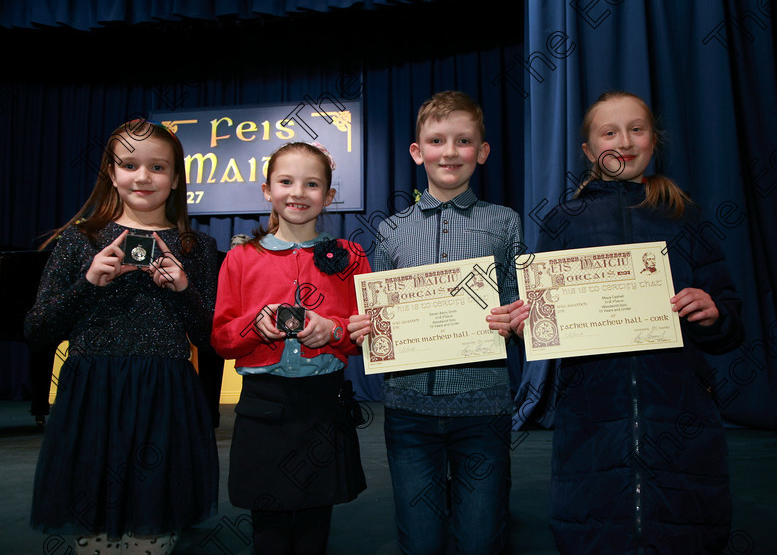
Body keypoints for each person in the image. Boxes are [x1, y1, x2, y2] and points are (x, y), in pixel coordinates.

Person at [511, 91, 745, 554]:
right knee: (593, 527)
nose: (624, 141)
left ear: (653, 140)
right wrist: (528, 325)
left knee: (689, 527)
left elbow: (730, 321)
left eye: (637, 129)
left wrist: (713, 313)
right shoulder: (563, 222)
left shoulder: (684, 215)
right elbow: (546, 325)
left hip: (679, 408)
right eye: (609, 132)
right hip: (591, 411)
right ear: (587, 150)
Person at [25, 119, 219, 555]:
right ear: (111, 173)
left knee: (150, 533)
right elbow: (38, 331)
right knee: (93, 534)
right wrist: (89, 282)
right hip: (93, 397)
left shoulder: (195, 246)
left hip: (164, 396)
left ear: (174, 179)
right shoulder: (81, 240)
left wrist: (184, 289)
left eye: (158, 167)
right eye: (129, 165)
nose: (143, 177)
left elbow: (210, 338)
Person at [349, 91, 525, 555]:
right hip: (408, 411)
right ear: (417, 151)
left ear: (482, 152)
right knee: (420, 539)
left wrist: (516, 318)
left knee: (481, 539)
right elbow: (378, 314)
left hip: (483, 406)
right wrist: (368, 328)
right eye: (437, 140)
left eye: (464, 140)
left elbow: (518, 303)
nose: (450, 151)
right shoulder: (391, 229)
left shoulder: (505, 223)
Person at [211, 141, 369, 555]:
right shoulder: (241, 257)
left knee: (316, 525)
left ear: (329, 196)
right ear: (267, 190)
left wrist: (334, 332)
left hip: (323, 405)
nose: (298, 192)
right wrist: (255, 327)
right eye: (286, 181)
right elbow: (221, 339)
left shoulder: (351, 257)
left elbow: (370, 333)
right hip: (263, 406)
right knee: (269, 530)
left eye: (312, 184)